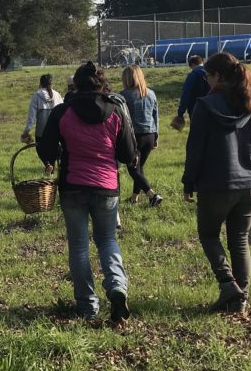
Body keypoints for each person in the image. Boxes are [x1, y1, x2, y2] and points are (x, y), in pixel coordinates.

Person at [36, 61, 138, 323]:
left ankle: (87, 305)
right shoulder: (115, 109)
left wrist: (56, 154)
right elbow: (127, 154)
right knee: (107, 240)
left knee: (79, 246)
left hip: (73, 186)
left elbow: (45, 148)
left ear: (76, 84)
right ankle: (117, 287)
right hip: (106, 187)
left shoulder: (63, 111)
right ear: (102, 83)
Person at [182, 52, 251, 315]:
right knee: (240, 239)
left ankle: (228, 285)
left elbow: (195, 150)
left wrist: (189, 182)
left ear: (218, 76)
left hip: (216, 184)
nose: (208, 82)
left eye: (209, 76)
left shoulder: (205, 105)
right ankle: (240, 300)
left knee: (209, 235)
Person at [119, 65, 162, 207]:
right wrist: (156, 136)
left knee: (132, 169)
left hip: (134, 137)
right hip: (149, 135)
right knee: (139, 167)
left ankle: (152, 195)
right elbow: (156, 117)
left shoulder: (123, 96)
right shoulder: (151, 93)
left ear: (126, 79)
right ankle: (134, 198)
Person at [171, 55, 210, 131]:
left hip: (195, 110)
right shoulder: (211, 74)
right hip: (211, 109)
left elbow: (186, 95)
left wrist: (180, 113)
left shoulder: (193, 75)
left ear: (192, 65)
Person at [21, 74, 64, 144]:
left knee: (43, 154)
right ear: (51, 83)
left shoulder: (36, 96)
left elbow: (31, 119)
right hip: (56, 133)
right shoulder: (57, 95)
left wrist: (26, 132)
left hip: (41, 134)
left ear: (40, 83)